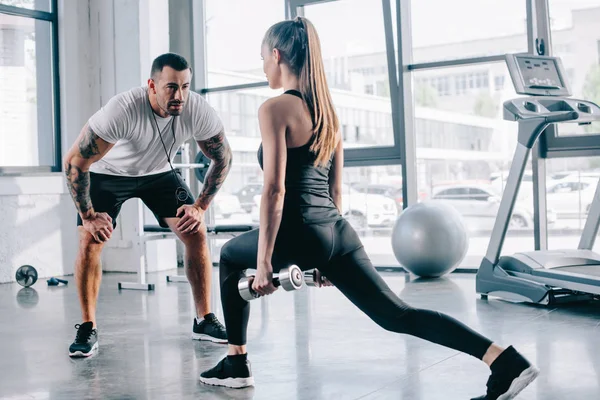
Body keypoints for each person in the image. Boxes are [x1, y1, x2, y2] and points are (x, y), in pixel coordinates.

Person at [198, 17, 540, 399]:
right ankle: (503, 360)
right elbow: (335, 190)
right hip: (337, 232)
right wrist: (326, 257)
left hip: (301, 230)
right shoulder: (328, 113)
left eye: (262, 58)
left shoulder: (275, 109)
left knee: (229, 255)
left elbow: (274, 191)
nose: (263, 67)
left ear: (276, 56)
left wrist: (263, 264)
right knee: (397, 315)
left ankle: (236, 363)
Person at [63, 53, 231, 357]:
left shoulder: (196, 109)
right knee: (90, 240)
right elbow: (75, 162)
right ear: (151, 85)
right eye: (170, 87)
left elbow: (223, 157)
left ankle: (204, 319)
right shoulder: (122, 110)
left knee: (196, 232)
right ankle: (88, 327)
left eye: (185, 86)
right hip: (109, 175)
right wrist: (88, 216)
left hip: (159, 175)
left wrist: (200, 208)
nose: (179, 96)